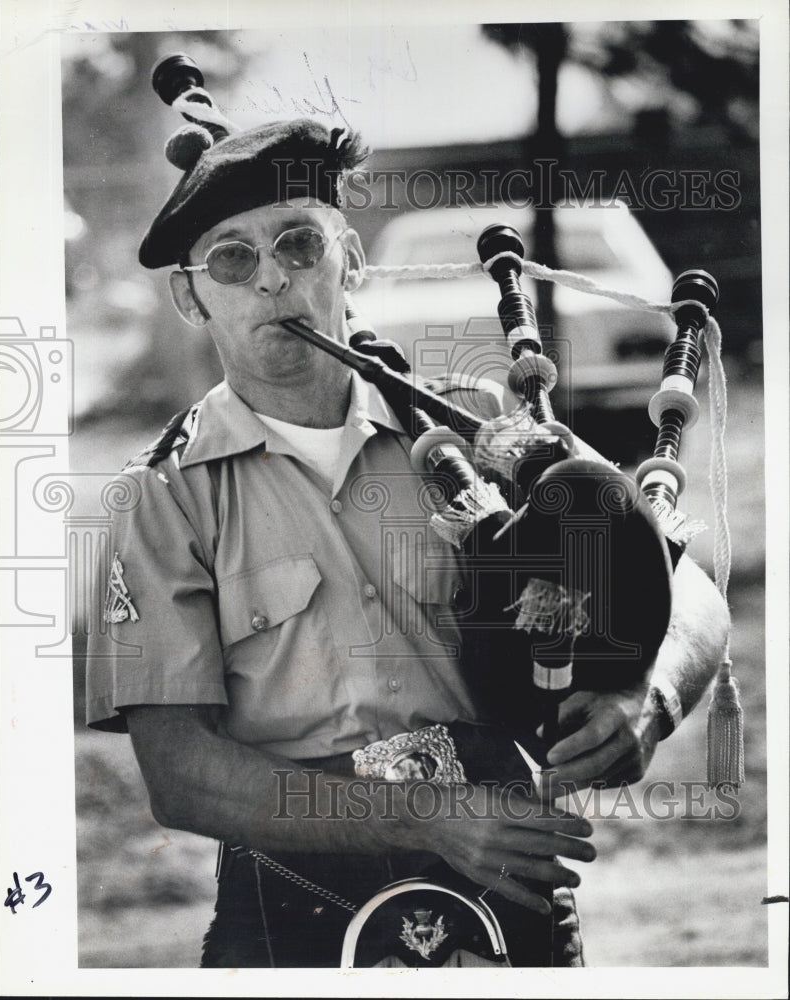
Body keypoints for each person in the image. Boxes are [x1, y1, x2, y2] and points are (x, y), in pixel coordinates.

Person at [86, 109, 730, 969]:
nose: (272, 280)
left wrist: (644, 698)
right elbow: (181, 772)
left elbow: (682, 581)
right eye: (232, 259)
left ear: (349, 262)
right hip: (296, 912)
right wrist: (422, 813)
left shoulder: (479, 426)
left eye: (298, 245)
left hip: (508, 898)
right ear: (191, 295)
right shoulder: (159, 497)